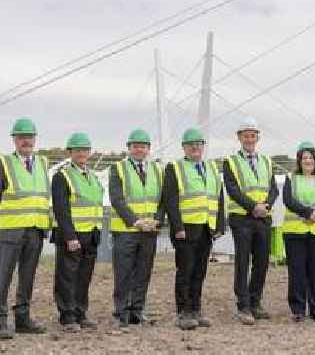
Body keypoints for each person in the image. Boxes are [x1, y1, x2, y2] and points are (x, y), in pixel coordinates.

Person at [0, 118, 49, 339]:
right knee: (4, 275)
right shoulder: (3, 164)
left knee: (27, 276)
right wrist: (5, 223)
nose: (26, 141)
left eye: (29, 137)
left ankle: (23, 319)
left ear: (35, 139)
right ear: (14, 140)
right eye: (21, 137)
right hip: (12, 230)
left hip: (35, 229)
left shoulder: (43, 163)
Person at [158, 128, 225, 330]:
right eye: (191, 144)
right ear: (184, 147)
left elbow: (218, 198)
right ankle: (183, 312)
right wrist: (177, 226)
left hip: (206, 227)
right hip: (185, 229)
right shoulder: (175, 168)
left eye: (198, 143)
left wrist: (219, 224)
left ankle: (196, 309)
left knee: (200, 271)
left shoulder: (212, 168)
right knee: (185, 270)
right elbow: (170, 200)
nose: (195, 147)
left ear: (203, 146)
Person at [223, 117, 278, 325]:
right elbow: (232, 189)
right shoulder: (231, 162)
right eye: (245, 135)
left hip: (263, 218)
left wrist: (266, 206)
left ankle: (256, 301)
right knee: (243, 262)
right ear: (239, 137)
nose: (249, 138)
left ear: (257, 137)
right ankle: (243, 305)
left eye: (252, 135)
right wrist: (252, 206)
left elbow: (273, 189)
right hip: (242, 218)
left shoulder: (266, 161)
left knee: (262, 263)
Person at [108, 128, 163, 328]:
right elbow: (117, 199)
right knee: (123, 272)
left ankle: (137, 311)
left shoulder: (157, 169)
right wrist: (135, 221)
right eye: (135, 146)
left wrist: (157, 220)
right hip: (126, 230)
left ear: (148, 149)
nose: (139, 149)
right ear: (129, 148)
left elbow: (162, 199)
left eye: (143, 146)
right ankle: (121, 312)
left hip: (149, 230)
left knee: (143, 272)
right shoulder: (118, 168)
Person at [51, 132, 103, 332]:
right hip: (71, 236)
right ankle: (67, 316)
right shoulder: (61, 176)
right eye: (77, 150)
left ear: (89, 153)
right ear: (70, 152)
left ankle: (81, 313)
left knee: (84, 277)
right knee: (67, 276)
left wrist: (97, 230)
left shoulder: (93, 176)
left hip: (90, 234)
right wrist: (70, 236)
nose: (82, 153)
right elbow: (61, 209)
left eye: (85, 150)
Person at [282, 141, 315, 322]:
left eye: (311, 157)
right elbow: (288, 200)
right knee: (296, 271)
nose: (307, 160)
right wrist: (307, 213)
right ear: (299, 160)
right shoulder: (291, 178)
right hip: (295, 231)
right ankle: (298, 309)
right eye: (304, 157)